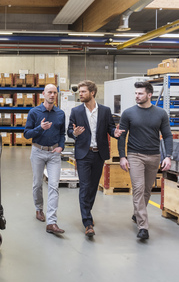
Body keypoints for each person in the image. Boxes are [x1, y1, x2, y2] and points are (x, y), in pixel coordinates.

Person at [67, 80, 124, 237]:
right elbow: (69, 131)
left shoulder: (105, 111)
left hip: (99, 154)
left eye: (83, 91)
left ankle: (87, 213)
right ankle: (87, 222)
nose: (80, 94)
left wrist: (115, 133)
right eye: (80, 91)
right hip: (83, 155)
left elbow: (110, 128)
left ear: (92, 93)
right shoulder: (76, 111)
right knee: (85, 187)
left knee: (92, 188)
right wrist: (74, 133)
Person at [118, 81, 172, 240]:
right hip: (135, 156)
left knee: (147, 190)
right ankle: (143, 227)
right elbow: (122, 136)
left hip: (154, 156)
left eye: (140, 93)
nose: (137, 96)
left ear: (149, 95)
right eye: (135, 93)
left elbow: (167, 136)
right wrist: (122, 156)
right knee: (139, 189)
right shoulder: (128, 113)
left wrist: (168, 155)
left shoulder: (161, 113)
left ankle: (137, 214)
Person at [24, 84, 66, 235]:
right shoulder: (34, 112)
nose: (52, 95)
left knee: (54, 186)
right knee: (37, 184)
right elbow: (26, 134)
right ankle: (38, 209)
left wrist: (61, 146)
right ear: (43, 94)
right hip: (38, 151)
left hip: (54, 153)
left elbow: (62, 133)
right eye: (50, 92)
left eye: (55, 92)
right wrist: (40, 128)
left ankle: (52, 222)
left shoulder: (60, 113)